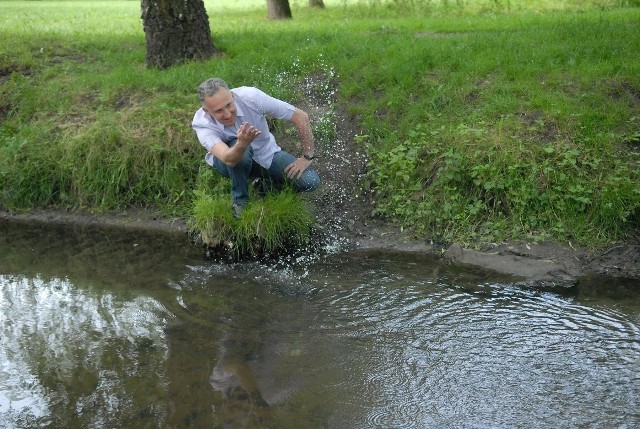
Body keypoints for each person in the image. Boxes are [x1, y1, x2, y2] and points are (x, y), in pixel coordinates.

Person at [192, 77, 321, 218]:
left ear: (233, 95)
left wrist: (307, 155)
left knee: (311, 181)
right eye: (218, 111)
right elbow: (227, 158)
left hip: (267, 154)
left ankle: (265, 185)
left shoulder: (251, 97)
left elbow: (300, 116)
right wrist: (242, 144)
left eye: (229, 105)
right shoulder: (202, 123)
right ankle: (241, 203)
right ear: (207, 111)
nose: (228, 114)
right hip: (228, 163)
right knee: (241, 153)